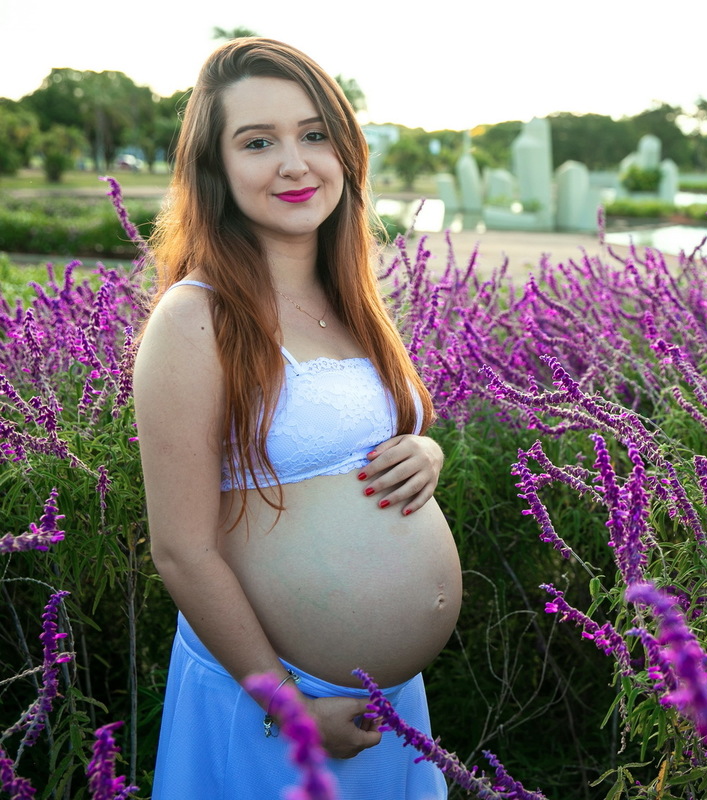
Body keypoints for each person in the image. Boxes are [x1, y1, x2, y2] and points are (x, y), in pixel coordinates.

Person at [133, 37, 462, 799]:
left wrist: (425, 453)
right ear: (214, 168)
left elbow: (363, 438)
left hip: (385, 707)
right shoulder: (195, 319)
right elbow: (181, 550)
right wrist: (291, 705)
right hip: (276, 706)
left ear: (346, 152)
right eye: (258, 142)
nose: (295, 162)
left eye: (315, 134)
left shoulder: (352, 302)